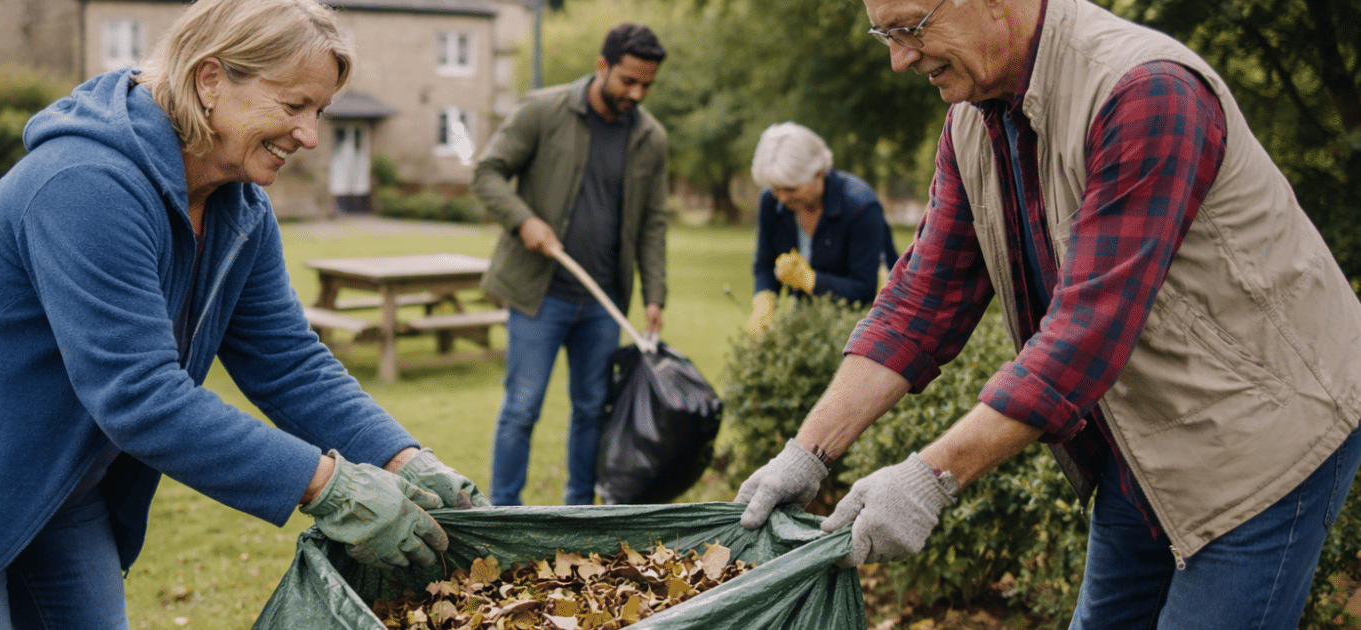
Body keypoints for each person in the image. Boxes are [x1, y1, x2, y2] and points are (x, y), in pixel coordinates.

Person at [734, 0, 1361, 627]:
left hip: (1264, 425)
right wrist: (809, 452)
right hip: (1145, 437)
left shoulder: (1146, 92)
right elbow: (920, 302)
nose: (900, 60)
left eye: (911, 29)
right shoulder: (971, 122)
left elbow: (1083, 335)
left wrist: (930, 478)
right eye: (885, 35)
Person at [0, 0, 488, 626]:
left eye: (318, 111)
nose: (310, 135)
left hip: (61, 480)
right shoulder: (85, 182)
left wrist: (405, 460)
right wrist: (329, 485)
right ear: (210, 81)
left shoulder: (239, 210)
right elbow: (139, 394)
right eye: (293, 105)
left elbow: (288, 363)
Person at [472, 23, 670, 506]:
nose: (636, 93)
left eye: (647, 84)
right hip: (541, 295)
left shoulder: (651, 138)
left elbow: (653, 224)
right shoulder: (544, 110)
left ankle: (579, 512)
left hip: (604, 302)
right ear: (601, 66)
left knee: (591, 410)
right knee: (521, 409)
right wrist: (524, 221)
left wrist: (655, 296)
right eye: (628, 80)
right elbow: (487, 172)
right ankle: (504, 513)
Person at [746, 122, 899, 335]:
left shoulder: (861, 206)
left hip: (861, 327)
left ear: (818, 174)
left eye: (790, 189)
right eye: (775, 189)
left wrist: (811, 280)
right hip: (807, 325)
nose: (781, 198)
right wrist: (764, 301)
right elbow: (765, 264)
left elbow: (865, 290)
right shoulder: (771, 203)